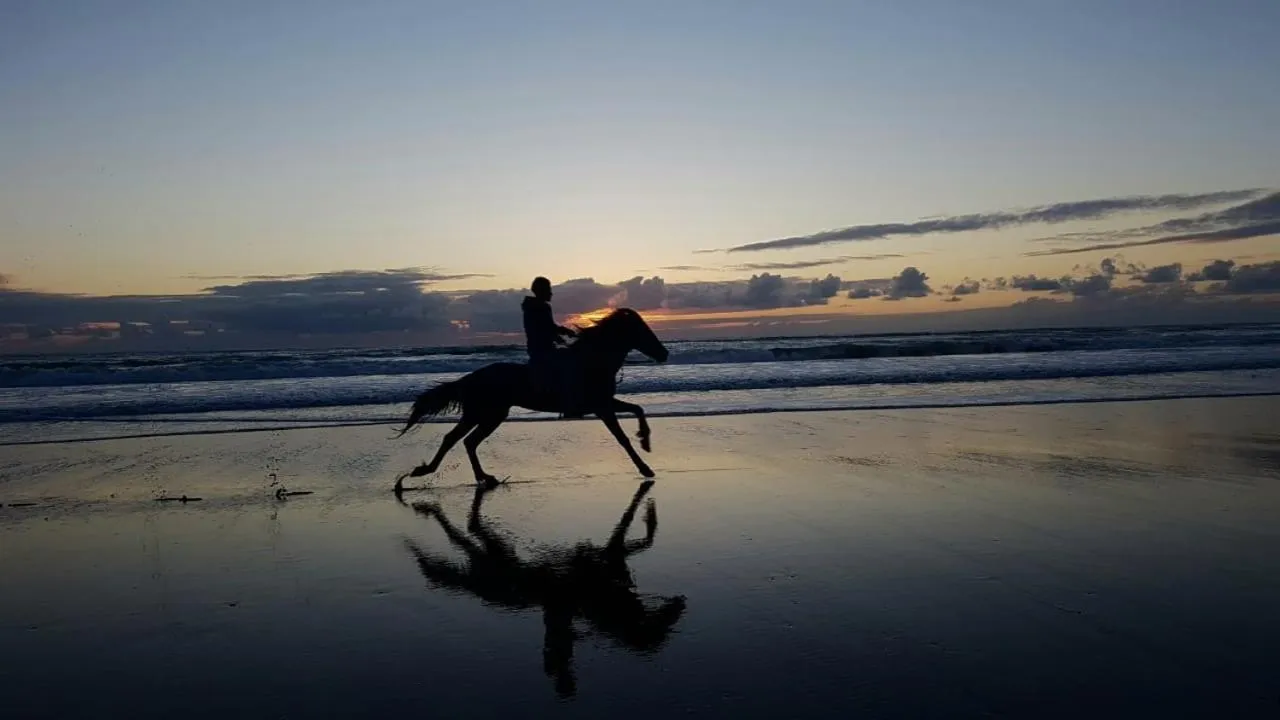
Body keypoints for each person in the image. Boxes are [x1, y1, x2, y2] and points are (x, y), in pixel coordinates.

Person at [522, 277, 583, 416]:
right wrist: (564, 332)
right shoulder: (541, 307)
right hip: (542, 349)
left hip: (540, 347)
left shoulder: (534, 306)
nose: (551, 293)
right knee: (570, 365)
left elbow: (546, 327)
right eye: (549, 290)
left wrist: (559, 335)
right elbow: (546, 328)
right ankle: (569, 404)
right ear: (541, 291)